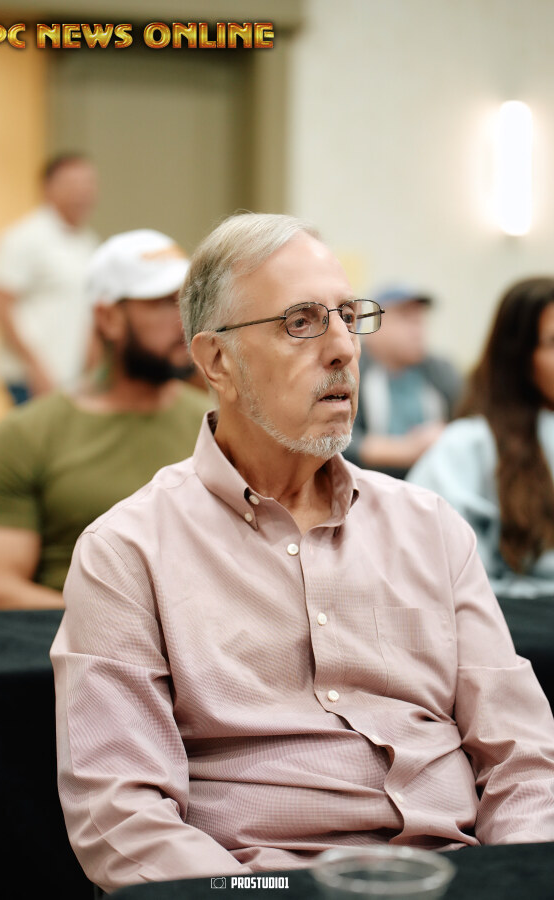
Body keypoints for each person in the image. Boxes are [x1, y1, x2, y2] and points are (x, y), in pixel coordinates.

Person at [51, 214, 554, 894]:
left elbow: (524, 757)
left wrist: (518, 876)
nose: (344, 347)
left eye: (348, 316)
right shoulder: (128, 551)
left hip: (457, 876)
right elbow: (120, 815)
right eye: (301, 323)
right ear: (217, 361)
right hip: (264, 885)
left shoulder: (430, 527)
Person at [0, 229, 210, 610]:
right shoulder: (24, 436)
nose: (184, 319)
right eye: (162, 303)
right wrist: (132, 627)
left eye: (188, 302)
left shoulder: (219, 427)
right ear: (108, 318)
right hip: (61, 643)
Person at [408, 277, 554, 600]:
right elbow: (448, 579)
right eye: (553, 342)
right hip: (517, 613)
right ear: (519, 357)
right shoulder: (468, 445)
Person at [0, 153, 99, 405]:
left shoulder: (87, 242)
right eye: (73, 184)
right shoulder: (24, 237)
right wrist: (34, 367)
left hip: (72, 378)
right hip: (31, 378)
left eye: (88, 183)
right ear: (47, 188)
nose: (82, 192)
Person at [342, 285, 461, 479]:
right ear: (374, 325)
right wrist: (406, 450)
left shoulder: (440, 371)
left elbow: (469, 423)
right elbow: (336, 438)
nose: (418, 331)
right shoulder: (350, 370)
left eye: (420, 320)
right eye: (406, 319)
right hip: (369, 482)